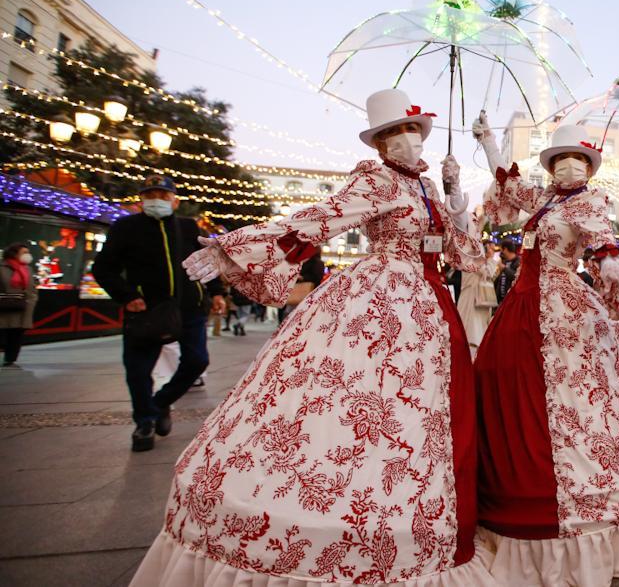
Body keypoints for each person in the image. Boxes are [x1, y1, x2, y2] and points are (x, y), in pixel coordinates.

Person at [129, 89, 496, 586]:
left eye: (411, 130)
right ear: (380, 145)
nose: (406, 140)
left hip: (430, 307)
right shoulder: (374, 180)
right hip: (380, 300)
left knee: (422, 410)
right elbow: (318, 221)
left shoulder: (428, 186)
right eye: (394, 134)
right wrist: (237, 249)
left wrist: (455, 203)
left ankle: (425, 502)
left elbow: (464, 255)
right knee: (352, 400)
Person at [472, 115, 619, 585]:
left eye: (577, 160)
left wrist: (612, 266)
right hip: (522, 302)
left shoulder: (591, 201)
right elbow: (509, 191)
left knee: (570, 397)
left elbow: (602, 243)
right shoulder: (546, 200)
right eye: (561, 160)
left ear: (590, 169)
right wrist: (489, 142)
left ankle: (581, 503)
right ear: (552, 167)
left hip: (560, 302)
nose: (569, 167)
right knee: (510, 386)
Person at [92, 175, 226, 452]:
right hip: (146, 310)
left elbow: (206, 261)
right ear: (141, 199)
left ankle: (160, 402)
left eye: (163, 196)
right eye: (151, 194)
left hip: (188, 308)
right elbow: (103, 268)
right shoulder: (125, 227)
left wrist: (216, 293)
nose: (157, 200)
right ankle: (145, 421)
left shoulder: (188, 227)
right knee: (138, 369)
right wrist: (128, 296)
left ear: (174, 201)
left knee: (197, 361)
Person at [457, 231, 499, 355]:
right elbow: (489, 273)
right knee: (473, 331)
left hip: (474, 296)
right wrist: (491, 259)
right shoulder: (472, 257)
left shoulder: (467, 255)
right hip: (474, 299)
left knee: (472, 330)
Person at [0, 243, 37, 368]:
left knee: (16, 334)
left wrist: (31, 301)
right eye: (24, 252)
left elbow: (32, 288)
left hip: (23, 307)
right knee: (4, 331)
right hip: (5, 305)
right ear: (14, 254)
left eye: (28, 252)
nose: (27, 255)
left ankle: (10, 358)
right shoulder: (2, 268)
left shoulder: (28, 269)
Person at [493, 239, 520, 304]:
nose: (500, 252)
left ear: (505, 249)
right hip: (501, 302)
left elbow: (516, 277)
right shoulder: (504, 262)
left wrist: (504, 269)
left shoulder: (519, 262)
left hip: (513, 301)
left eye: (501, 249)